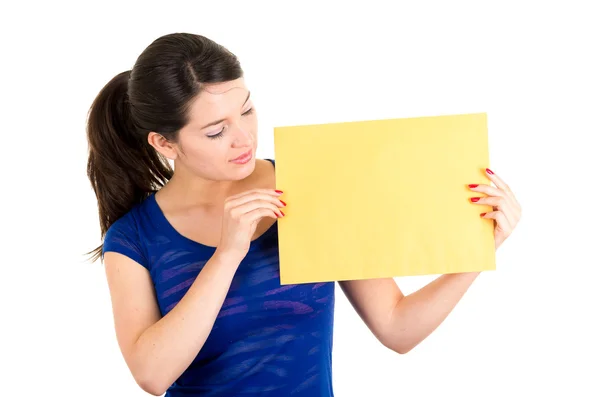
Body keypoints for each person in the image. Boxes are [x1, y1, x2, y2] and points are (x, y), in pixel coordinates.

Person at [85, 32, 522, 397]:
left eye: (247, 111)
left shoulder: (309, 185)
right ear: (164, 144)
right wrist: (227, 253)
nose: (244, 139)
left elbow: (396, 327)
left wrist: (478, 247)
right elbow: (152, 375)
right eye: (216, 131)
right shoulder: (134, 236)